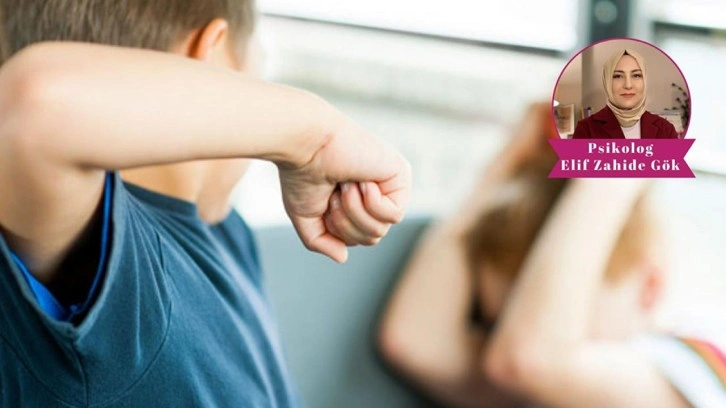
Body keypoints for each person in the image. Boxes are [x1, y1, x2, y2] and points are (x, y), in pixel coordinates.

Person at [0, 1, 410, 406]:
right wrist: (314, 140)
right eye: (258, 76)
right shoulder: (106, 256)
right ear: (210, 58)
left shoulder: (226, 232)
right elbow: (35, 106)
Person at [378, 103, 725, 408]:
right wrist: (511, 160)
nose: (509, 337)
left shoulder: (692, 371)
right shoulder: (523, 375)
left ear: (650, 287)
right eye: (497, 325)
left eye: (549, 317)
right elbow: (413, 340)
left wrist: (615, 169)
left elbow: (531, 360)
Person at [572, 48, 679, 139]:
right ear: (607, 81)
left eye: (636, 75)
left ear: (645, 80)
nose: (628, 85)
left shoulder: (666, 129)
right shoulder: (586, 129)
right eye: (618, 76)